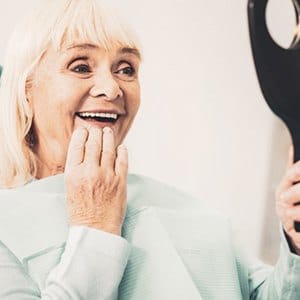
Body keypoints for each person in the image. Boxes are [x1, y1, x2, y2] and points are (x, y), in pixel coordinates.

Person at [0, 0, 300, 299]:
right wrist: (95, 226)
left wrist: (295, 243)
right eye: (81, 66)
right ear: (26, 89)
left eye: (126, 69)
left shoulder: (194, 212)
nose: (112, 88)